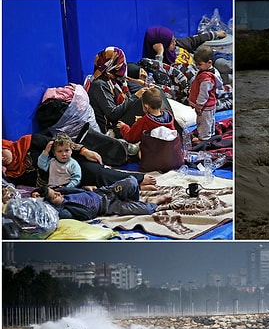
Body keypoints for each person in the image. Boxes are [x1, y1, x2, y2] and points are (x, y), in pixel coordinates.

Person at [2, 133, 157, 190]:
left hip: (71, 163)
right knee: (99, 191)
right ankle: (132, 186)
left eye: (1, 152)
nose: (3, 158)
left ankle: (138, 179)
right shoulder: (12, 175)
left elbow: (61, 143)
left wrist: (84, 151)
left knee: (98, 173)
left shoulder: (29, 142)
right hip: (63, 184)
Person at [34, 176, 170, 221]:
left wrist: (88, 189)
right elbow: (87, 214)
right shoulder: (67, 210)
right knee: (146, 210)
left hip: (105, 192)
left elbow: (78, 189)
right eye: (55, 196)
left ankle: (134, 196)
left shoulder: (65, 192)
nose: (59, 194)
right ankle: (155, 201)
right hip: (109, 206)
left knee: (132, 181)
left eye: (56, 192)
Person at [85, 47, 148, 135]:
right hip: (110, 129)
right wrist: (136, 96)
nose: (124, 65)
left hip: (120, 120)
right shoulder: (99, 85)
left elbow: (127, 100)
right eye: (121, 62)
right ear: (113, 64)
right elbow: (113, 114)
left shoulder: (116, 80)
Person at [189, 46, 222, 143]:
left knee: (204, 122)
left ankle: (204, 139)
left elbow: (204, 94)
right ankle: (210, 134)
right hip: (210, 104)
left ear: (209, 62)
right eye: (196, 64)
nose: (197, 67)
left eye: (200, 64)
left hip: (205, 105)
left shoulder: (206, 78)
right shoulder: (209, 71)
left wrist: (199, 105)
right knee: (209, 120)